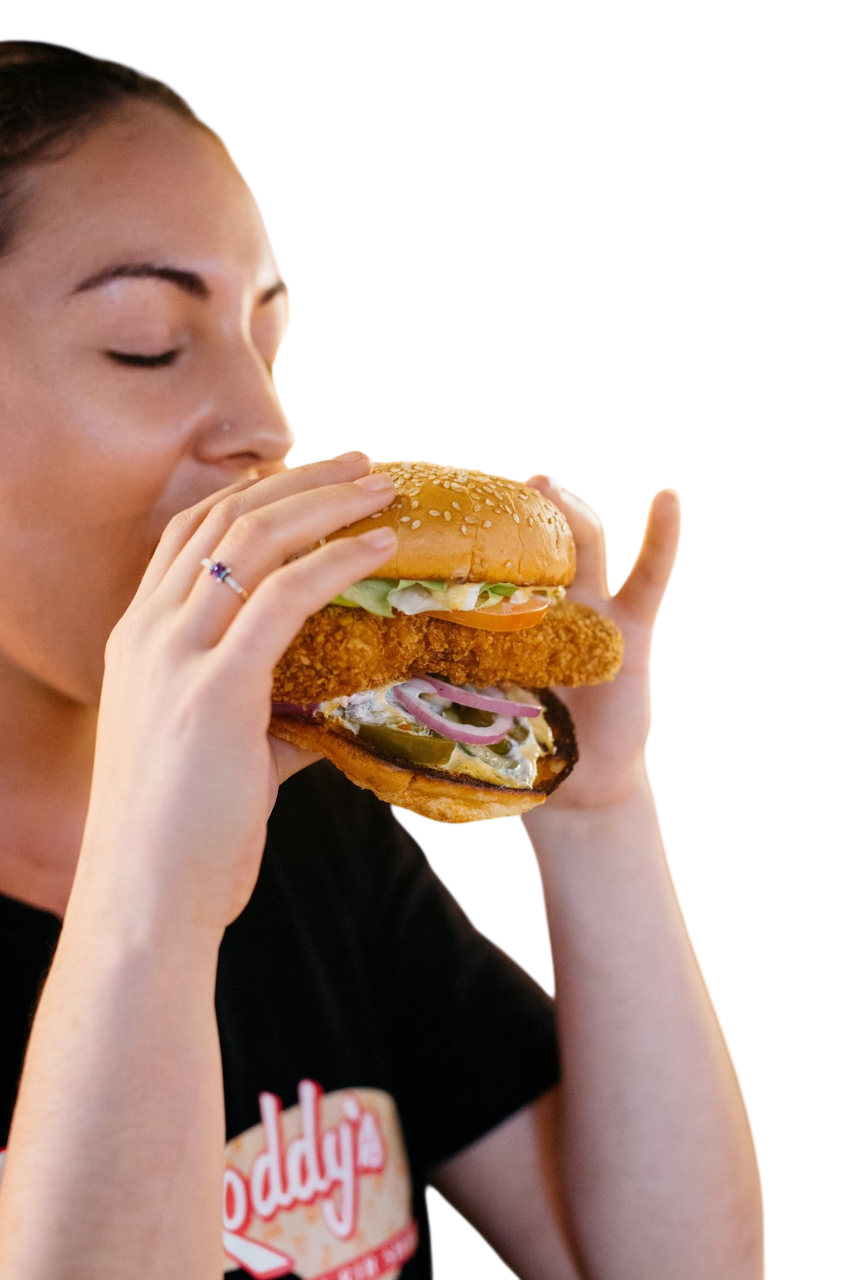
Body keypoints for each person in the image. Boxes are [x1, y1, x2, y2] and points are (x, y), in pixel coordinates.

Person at [0, 42, 766, 1280]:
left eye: (271, 341)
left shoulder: (316, 817)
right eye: (147, 342)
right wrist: (153, 903)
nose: (267, 430)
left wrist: (596, 807)